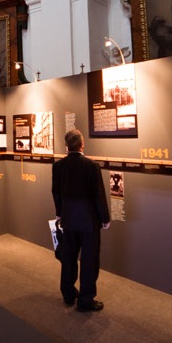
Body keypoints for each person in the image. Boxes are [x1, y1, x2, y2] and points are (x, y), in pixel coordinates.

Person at [52, 129, 110, 312]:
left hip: (68, 219)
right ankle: (85, 301)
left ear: (66, 146)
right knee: (89, 260)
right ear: (82, 144)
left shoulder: (58, 166)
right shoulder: (91, 166)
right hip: (88, 221)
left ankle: (68, 294)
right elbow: (98, 195)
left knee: (68, 258)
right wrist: (105, 218)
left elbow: (56, 192)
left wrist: (60, 213)